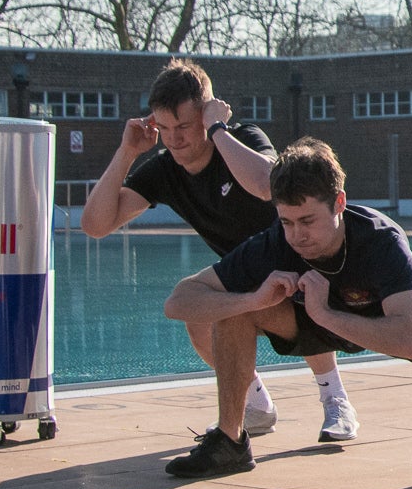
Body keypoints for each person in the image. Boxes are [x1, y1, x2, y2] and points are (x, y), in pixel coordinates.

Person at [159, 138, 412, 479]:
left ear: (339, 202)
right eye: (286, 221)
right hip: (304, 321)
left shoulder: (379, 238)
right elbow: (179, 302)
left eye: (307, 220)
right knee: (230, 306)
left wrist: (326, 313)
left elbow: (409, 339)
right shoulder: (277, 242)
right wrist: (254, 299)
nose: (297, 235)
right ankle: (230, 441)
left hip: (377, 317)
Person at [81, 60, 356, 442]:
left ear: (208, 113)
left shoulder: (241, 137)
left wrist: (218, 131)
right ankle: (256, 406)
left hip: (294, 260)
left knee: (306, 291)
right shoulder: (165, 170)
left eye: (185, 126)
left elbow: (267, 185)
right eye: (165, 128)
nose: (175, 139)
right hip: (242, 270)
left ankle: (335, 400)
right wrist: (127, 152)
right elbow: (95, 226)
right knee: (198, 312)